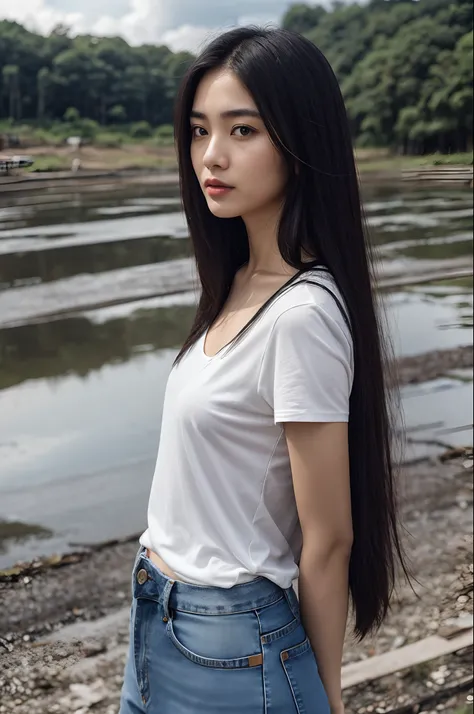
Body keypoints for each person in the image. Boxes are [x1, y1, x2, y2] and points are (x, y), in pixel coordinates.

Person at [119, 26, 408, 714]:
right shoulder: (240, 280)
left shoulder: (302, 316)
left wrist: (325, 694)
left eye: (241, 130)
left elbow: (329, 535)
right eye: (197, 131)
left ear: (300, 142)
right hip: (155, 618)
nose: (210, 156)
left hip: (232, 646)